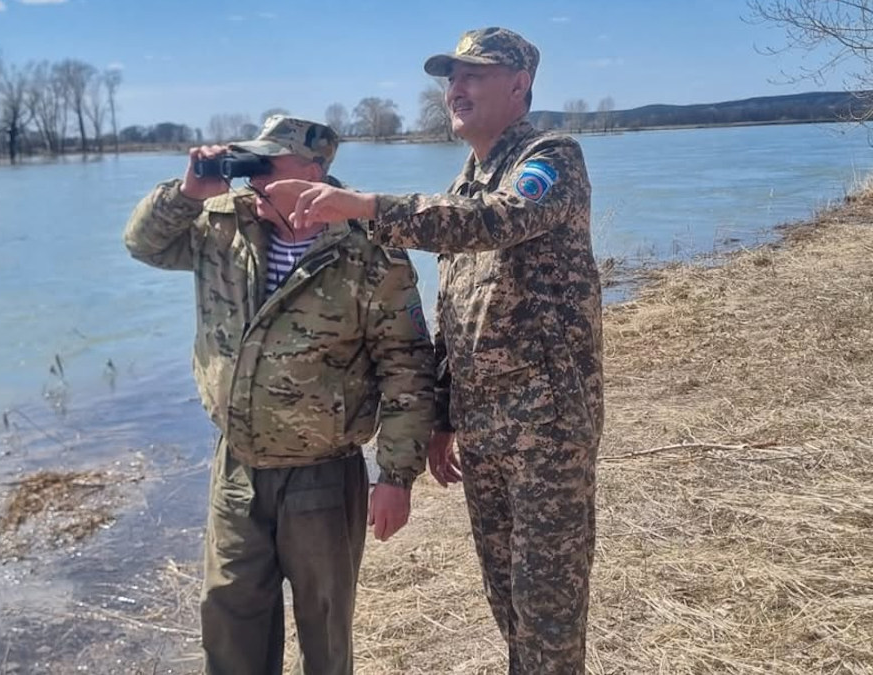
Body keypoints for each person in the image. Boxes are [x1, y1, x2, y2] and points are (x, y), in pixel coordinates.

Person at [265, 27, 604, 675]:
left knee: (550, 611)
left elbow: (494, 224)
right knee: (507, 598)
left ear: (519, 86)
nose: (456, 87)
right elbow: (452, 315)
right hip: (485, 431)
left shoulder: (551, 158)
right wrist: (442, 416)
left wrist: (363, 206)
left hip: (549, 432)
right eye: (451, 76)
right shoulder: (463, 183)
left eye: (475, 74)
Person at [122, 115, 436, 675]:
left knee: (325, 629)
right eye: (249, 162)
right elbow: (142, 244)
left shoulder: (369, 250)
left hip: (322, 474)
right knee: (229, 618)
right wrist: (188, 191)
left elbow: (407, 366)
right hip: (237, 469)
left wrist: (396, 477)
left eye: (266, 163)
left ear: (314, 171)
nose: (252, 177)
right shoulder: (221, 224)